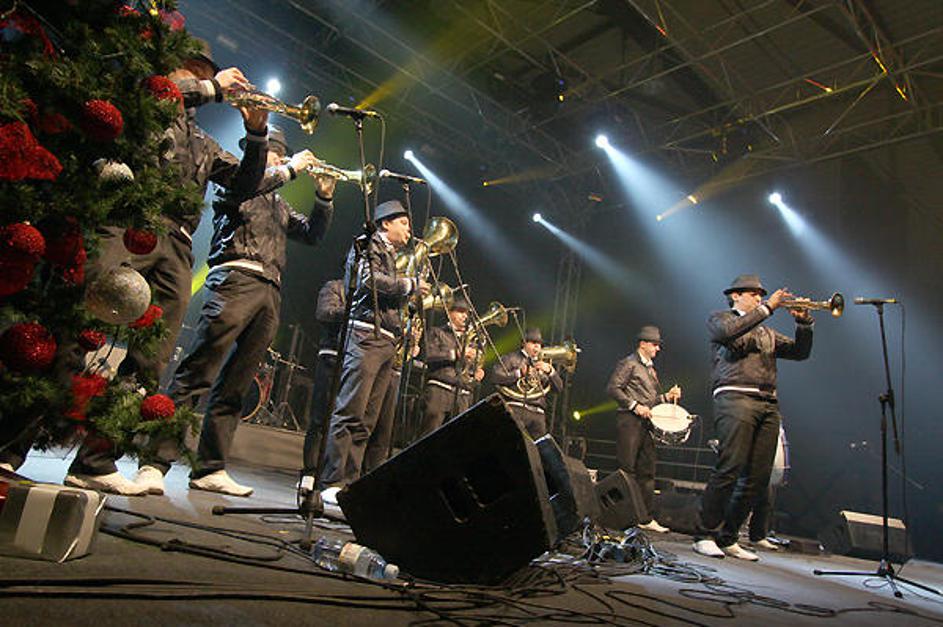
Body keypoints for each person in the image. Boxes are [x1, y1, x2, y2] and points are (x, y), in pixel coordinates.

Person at [0, 42, 269, 494]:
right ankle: (9, 447)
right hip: (125, 220)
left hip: (177, 246)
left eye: (206, 73)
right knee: (76, 329)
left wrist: (257, 135)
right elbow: (158, 97)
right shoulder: (148, 101)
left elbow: (245, 185)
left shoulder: (205, 143)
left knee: (150, 359)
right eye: (191, 70)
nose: (201, 79)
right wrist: (212, 88)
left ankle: (96, 460)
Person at [134, 127, 335, 496]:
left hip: (270, 289)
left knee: (236, 385)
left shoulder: (278, 204)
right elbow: (251, 185)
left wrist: (323, 198)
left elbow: (312, 235)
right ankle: (155, 462)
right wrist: (291, 168)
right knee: (198, 372)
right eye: (273, 153)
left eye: (280, 154)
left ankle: (210, 467)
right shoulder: (238, 183)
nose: (278, 159)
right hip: (235, 278)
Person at [693, 274, 813, 561]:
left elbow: (800, 353)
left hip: (768, 402)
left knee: (759, 477)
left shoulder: (765, 331)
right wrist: (767, 308)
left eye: (761, 294)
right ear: (735, 296)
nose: (759, 298)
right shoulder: (720, 318)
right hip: (735, 396)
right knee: (730, 467)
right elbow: (729, 334)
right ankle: (704, 534)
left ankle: (729, 537)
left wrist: (804, 324)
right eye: (752, 293)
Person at [318, 200, 428, 493]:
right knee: (349, 410)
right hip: (366, 335)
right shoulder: (367, 245)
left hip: (386, 340)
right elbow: (368, 281)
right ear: (385, 223)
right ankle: (331, 480)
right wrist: (407, 285)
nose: (409, 230)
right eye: (403, 223)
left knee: (366, 419)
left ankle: (350, 483)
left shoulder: (390, 254)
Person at [606, 325, 682, 534]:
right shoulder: (628, 363)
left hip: (646, 423)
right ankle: (625, 515)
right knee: (627, 469)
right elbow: (613, 388)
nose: (658, 348)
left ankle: (645, 517)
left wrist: (667, 397)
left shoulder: (650, 369)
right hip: (629, 421)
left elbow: (650, 401)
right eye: (654, 344)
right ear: (643, 344)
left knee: (647, 470)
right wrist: (634, 406)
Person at [418, 296, 484, 437]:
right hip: (439, 390)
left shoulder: (472, 340)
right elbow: (428, 355)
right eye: (460, 311)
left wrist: (476, 371)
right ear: (449, 312)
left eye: (467, 313)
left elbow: (472, 365)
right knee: (429, 435)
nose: (464, 316)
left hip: (463, 394)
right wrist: (455, 354)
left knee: (457, 439)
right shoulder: (437, 332)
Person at [301, 278, 345, 476]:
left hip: (355, 361)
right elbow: (324, 313)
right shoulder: (334, 287)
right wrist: (355, 309)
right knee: (320, 418)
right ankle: (310, 472)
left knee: (343, 420)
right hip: (331, 357)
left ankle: (331, 473)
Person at [490, 328, 562, 439]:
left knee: (538, 448)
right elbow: (495, 376)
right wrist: (519, 373)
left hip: (538, 414)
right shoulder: (511, 358)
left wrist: (551, 371)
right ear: (524, 343)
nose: (537, 346)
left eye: (539, 344)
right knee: (513, 442)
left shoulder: (543, 364)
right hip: (516, 408)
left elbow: (558, 388)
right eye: (533, 342)